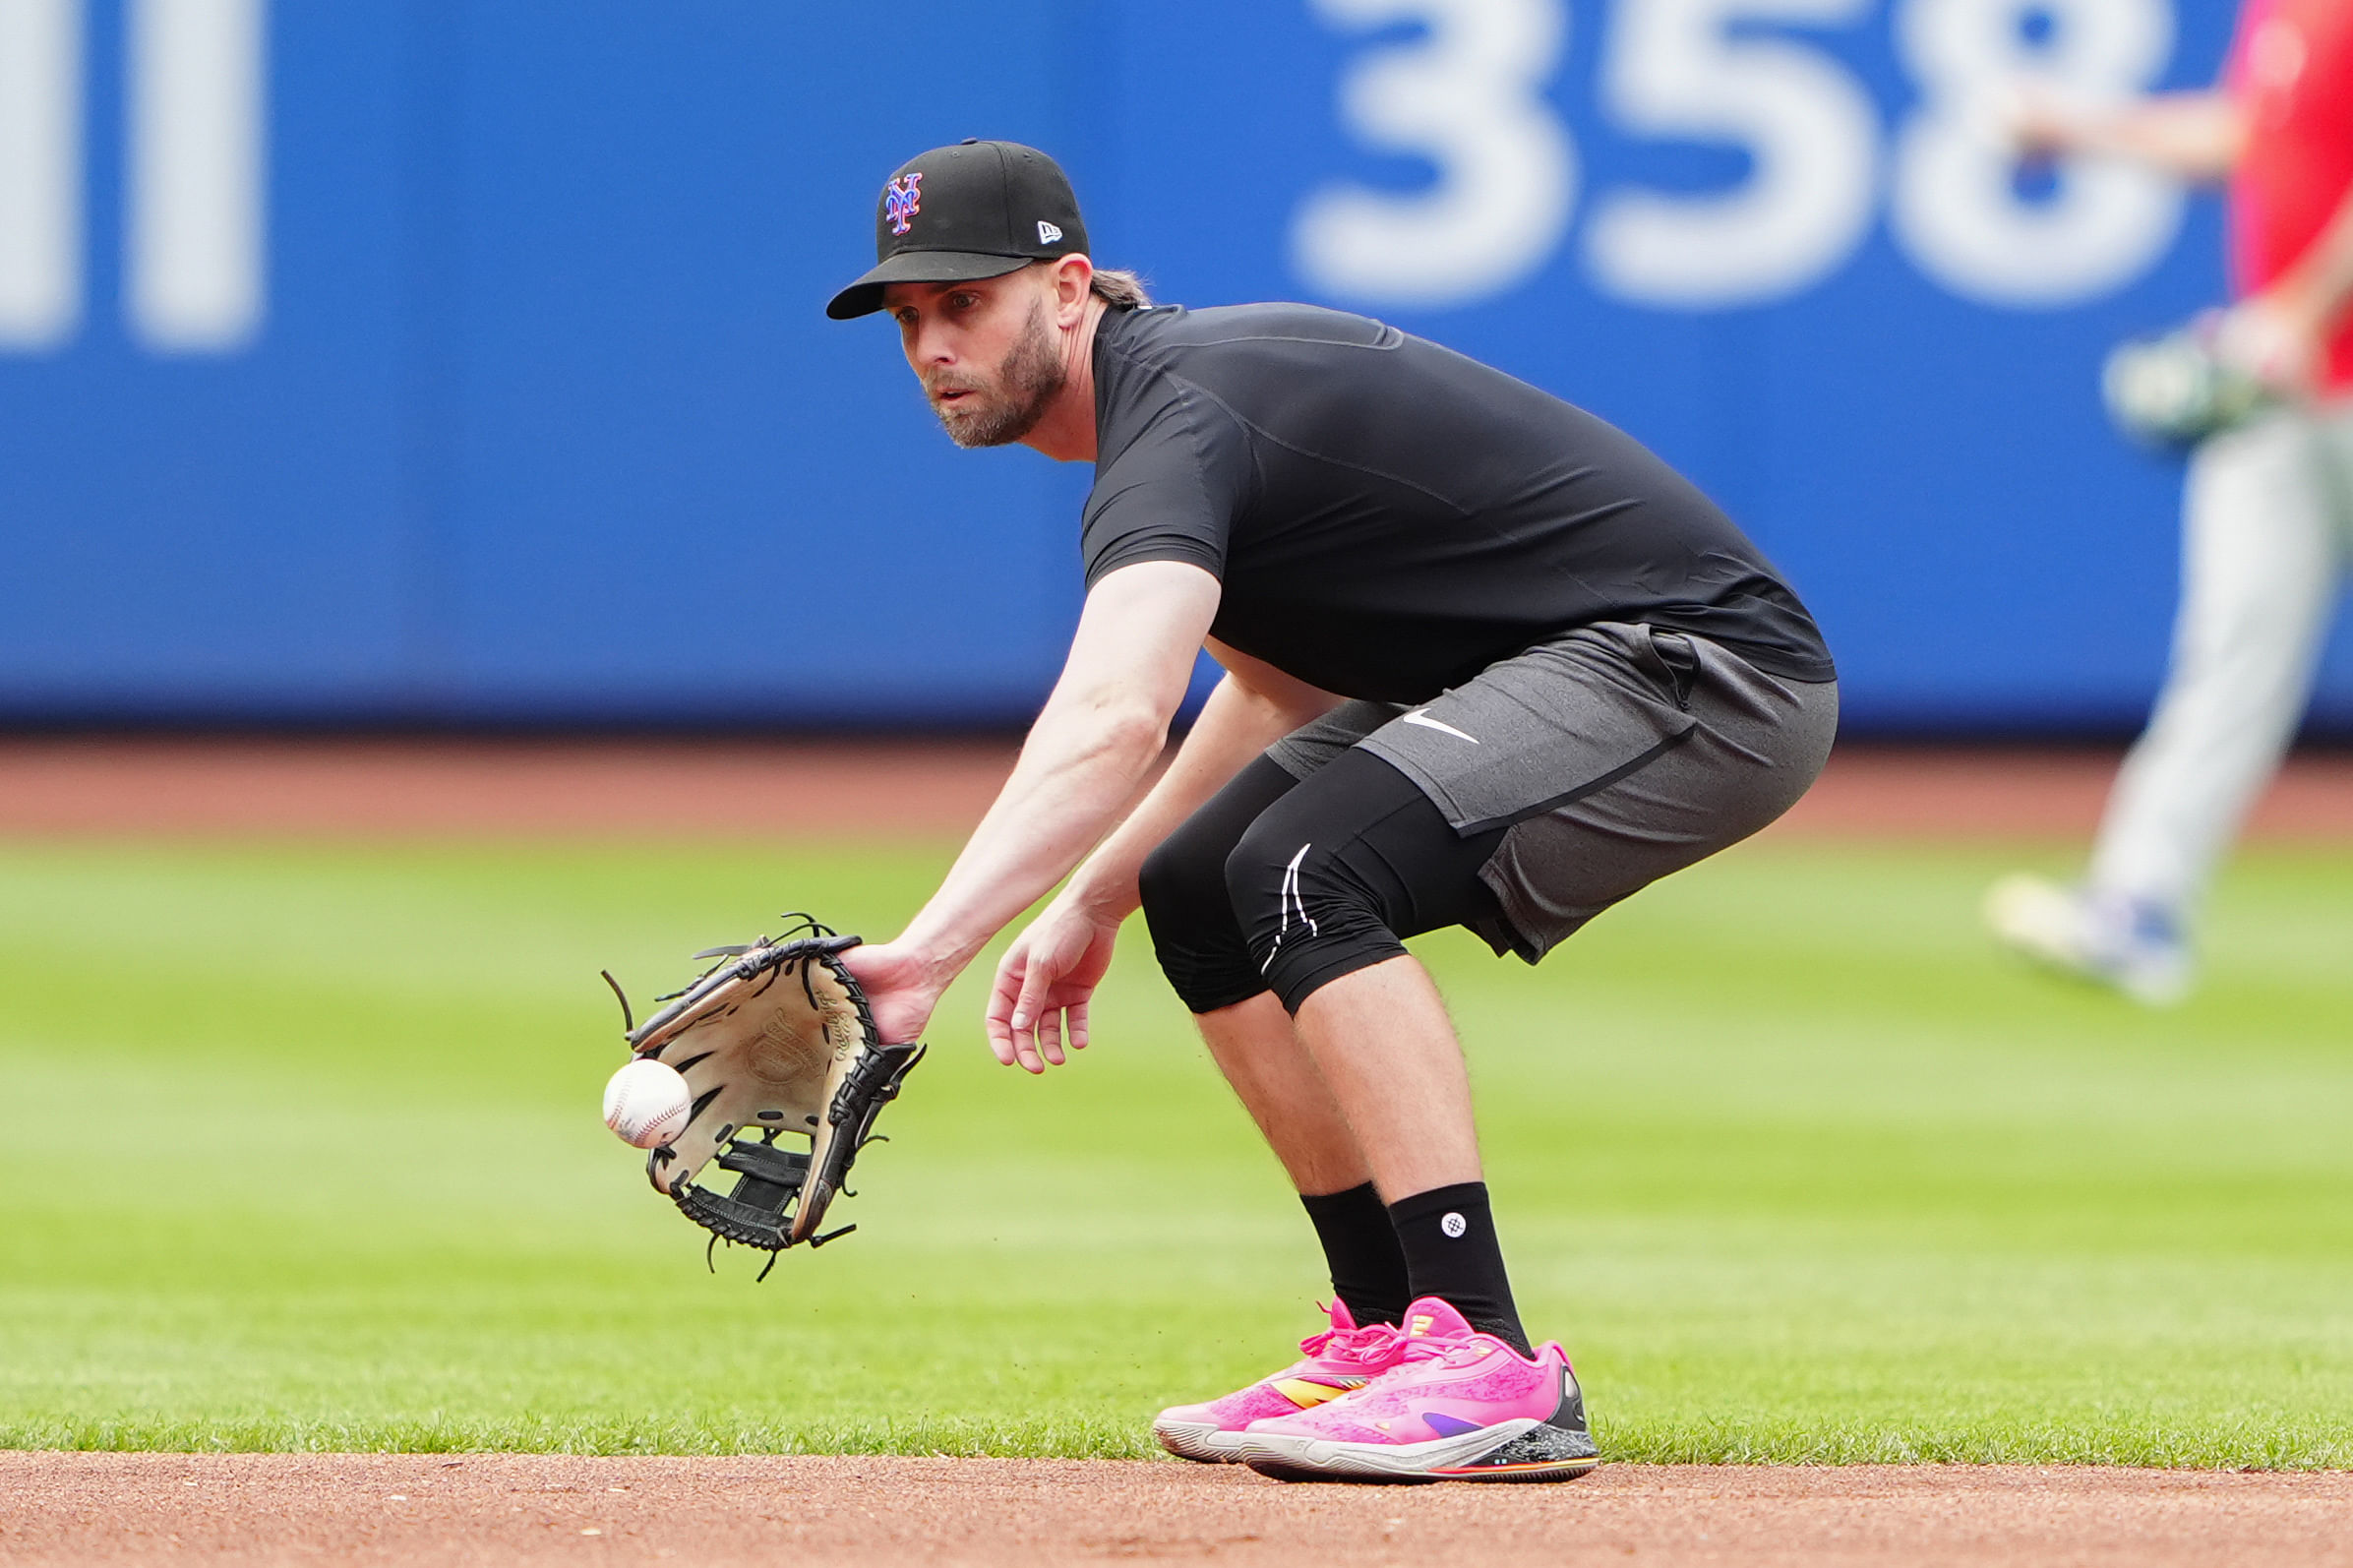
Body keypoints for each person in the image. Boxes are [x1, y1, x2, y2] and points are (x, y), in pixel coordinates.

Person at [826, 139, 1838, 1482]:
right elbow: (1272, 693)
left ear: (1069, 289)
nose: (931, 345)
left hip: (1703, 667)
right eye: (908, 319)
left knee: (1308, 869)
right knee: (1201, 883)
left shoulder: (1178, 414)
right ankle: (1382, 1327)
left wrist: (926, 953)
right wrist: (1098, 893)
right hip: (1552, 661)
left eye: (965, 302)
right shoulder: (1167, 415)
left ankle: (1484, 1352)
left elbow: (1116, 713)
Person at [1987, 0, 2353, 1004]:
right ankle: (2137, 905)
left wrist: (2302, 309)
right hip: (2275, 382)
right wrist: (2082, 128)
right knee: (2232, 643)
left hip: (2302, 348)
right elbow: (2251, 131)